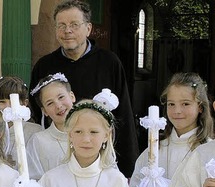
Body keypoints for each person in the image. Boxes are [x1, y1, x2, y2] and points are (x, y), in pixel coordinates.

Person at [30, 0, 139, 177]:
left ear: (88, 28)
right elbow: (38, 112)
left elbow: (123, 114)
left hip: (100, 159)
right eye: (61, 25)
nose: (67, 31)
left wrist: (127, 168)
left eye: (74, 25)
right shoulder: (44, 66)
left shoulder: (109, 62)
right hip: (57, 159)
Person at [26, 73, 75, 180]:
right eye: (50, 103)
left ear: (72, 96)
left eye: (61, 97)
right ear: (44, 111)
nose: (58, 105)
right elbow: (33, 180)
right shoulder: (38, 141)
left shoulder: (91, 133)